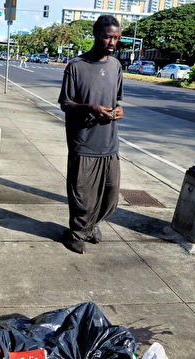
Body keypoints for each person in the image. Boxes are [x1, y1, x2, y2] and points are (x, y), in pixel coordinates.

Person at [57, 15, 124, 254]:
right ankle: (75, 233)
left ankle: (91, 225)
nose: (112, 42)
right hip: (83, 142)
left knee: (110, 195)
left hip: (109, 143)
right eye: (108, 36)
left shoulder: (116, 66)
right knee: (82, 196)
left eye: (116, 37)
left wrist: (117, 109)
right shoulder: (76, 66)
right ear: (96, 35)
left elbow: (117, 99)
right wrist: (90, 108)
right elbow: (65, 103)